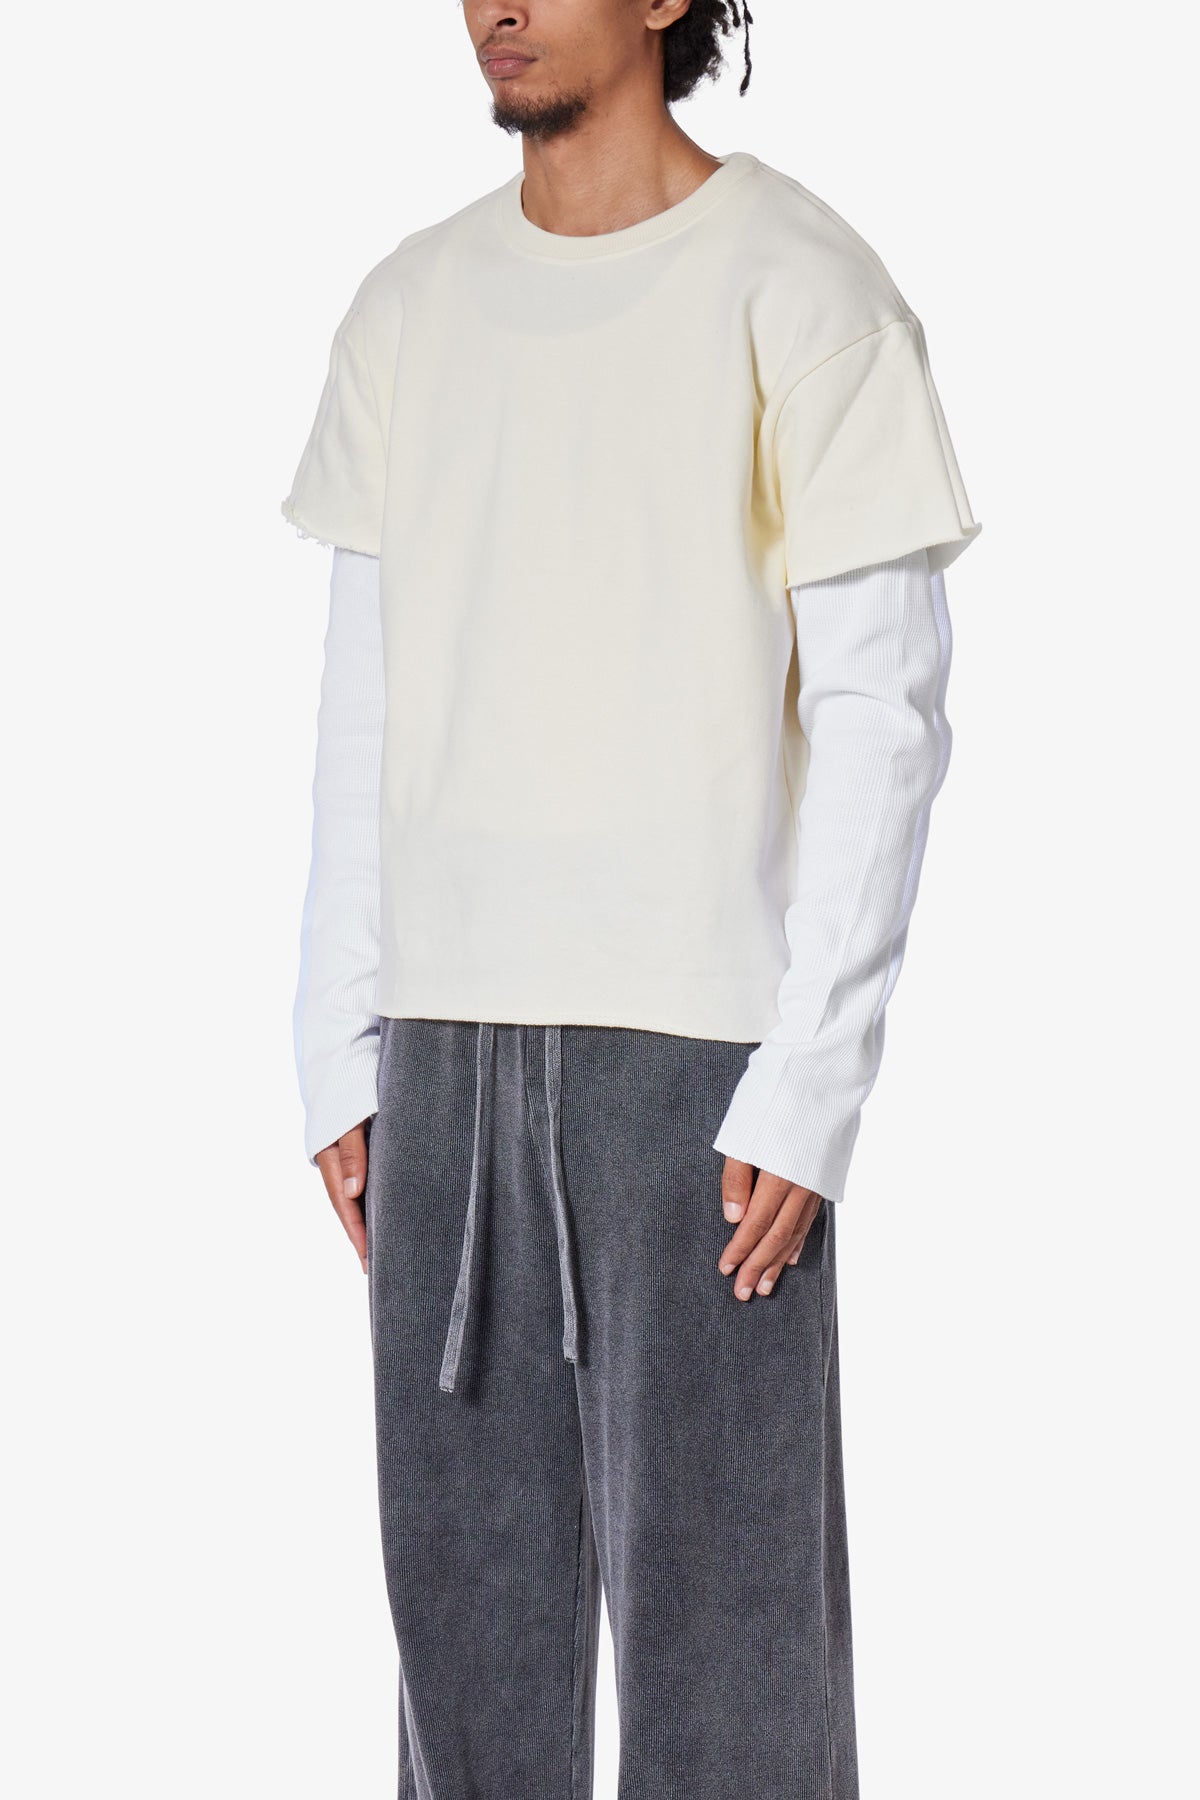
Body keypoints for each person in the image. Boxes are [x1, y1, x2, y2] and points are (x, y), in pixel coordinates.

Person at [281, 3, 981, 1795]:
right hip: (443, 1064)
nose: (495, 6)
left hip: (700, 1081)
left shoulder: (803, 289)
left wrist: (810, 1085)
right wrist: (338, 1043)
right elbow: (366, 696)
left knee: (735, 1670)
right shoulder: (410, 307)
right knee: (465, 1671)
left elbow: (886, 711)